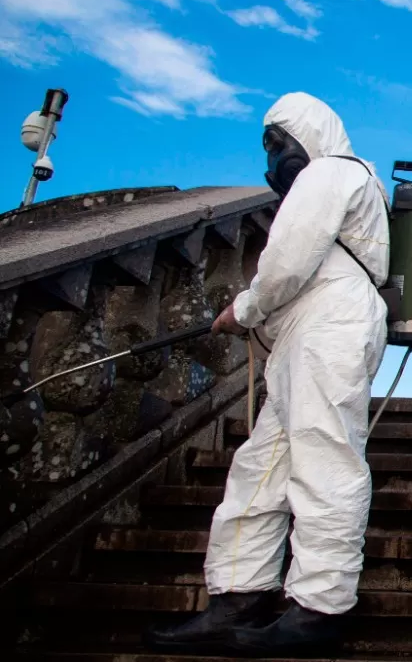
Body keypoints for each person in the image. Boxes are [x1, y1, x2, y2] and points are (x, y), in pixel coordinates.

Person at [145, 92, 389, 655]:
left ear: (310, 136)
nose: (275, 156)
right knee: (261, 466)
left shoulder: (332, 173)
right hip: (309, 334)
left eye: (280, 142)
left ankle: (320, 607)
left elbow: (286, 262)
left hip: (330, 327)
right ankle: (238, 595)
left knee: (325, 456)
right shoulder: (351, 182)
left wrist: (244, 309)